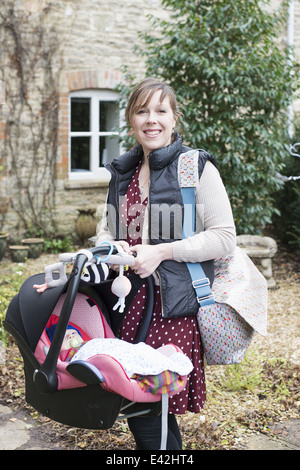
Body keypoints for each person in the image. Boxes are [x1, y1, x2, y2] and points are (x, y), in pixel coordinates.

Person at [96, 78, 236, 450]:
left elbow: (224, 236)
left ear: (175, 119)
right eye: (142, 111)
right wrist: (110, 247)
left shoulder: (195, 168)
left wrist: (162, 251)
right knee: (150, 410)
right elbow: (105, 229)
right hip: (128, 304)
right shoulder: (123, 171)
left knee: (146, 405)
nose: (151, 120)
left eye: (161, 110)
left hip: (172, 305)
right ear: (131, 119)